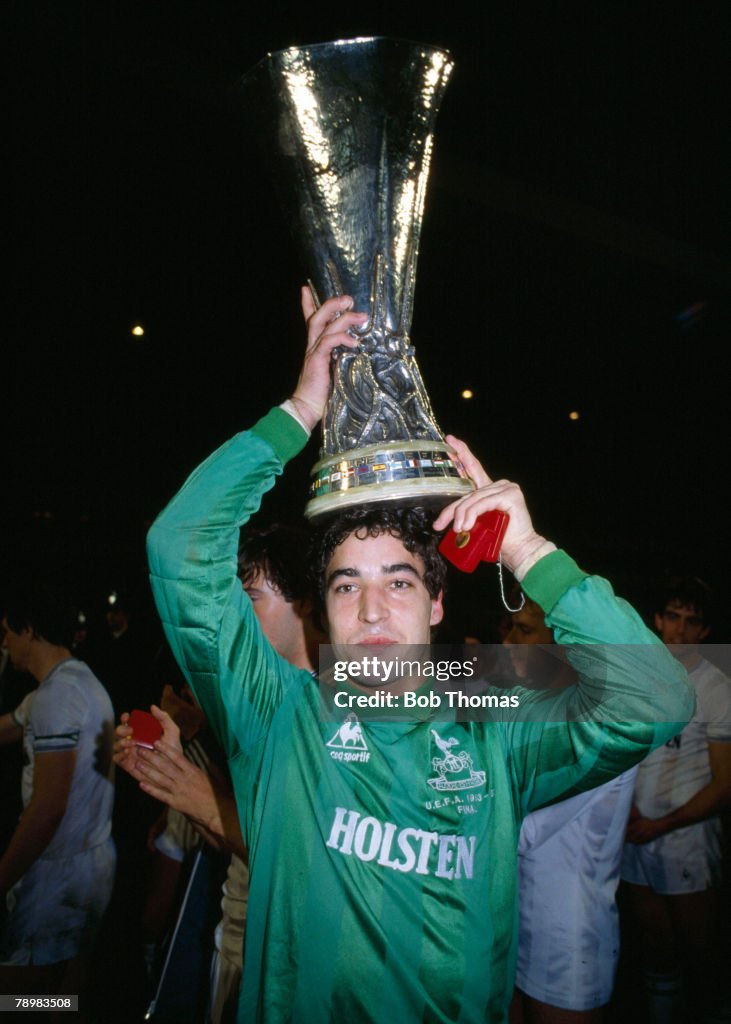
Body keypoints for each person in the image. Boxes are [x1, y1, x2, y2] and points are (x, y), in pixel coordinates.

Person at [139, 288, 694, 1023]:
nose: (372, 608)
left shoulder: (489, 711)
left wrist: (527, 551)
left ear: (435, 606)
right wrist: (297, 413)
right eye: (346, 586)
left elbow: (657, 698)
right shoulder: (277, 712)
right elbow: (178, 548)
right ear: (323, 615)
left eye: (398, 581)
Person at [117, 525, 322, 1024]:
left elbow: (318, 858)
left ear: (306, 606)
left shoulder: (333, 713)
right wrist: (171, 773)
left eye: (249, 596)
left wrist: (192, 792)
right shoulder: (265, 705)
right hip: (234, 941)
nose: (233, 618)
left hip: (282, 969)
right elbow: (241, 839)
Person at [505, 596, 635, 1024]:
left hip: (568, 937)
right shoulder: (542, 712)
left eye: (524, 632)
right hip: (519, 922)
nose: (507, 644)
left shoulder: (596, 729)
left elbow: (518, 833)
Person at [0, 584, 116, 1011]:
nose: (4, 643)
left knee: (16, 1002)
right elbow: (9, 728)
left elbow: (47, 809)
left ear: (28, 629)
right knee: (62, 997)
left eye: (7, 632)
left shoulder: (56, 697)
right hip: (89, 865)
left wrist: (2, 877)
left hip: (57, 879)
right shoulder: (71, 683)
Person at [621, 575, 731, 1022]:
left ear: (704, 632)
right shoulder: (640, 677)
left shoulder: (716, 687)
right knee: (655, 947)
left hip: (685, 839)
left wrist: (660, 825)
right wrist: (628, 815)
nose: (680, 630)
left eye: (692, 622)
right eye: (673, 617)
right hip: (635, 832)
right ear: (658, 620)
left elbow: (725, 785)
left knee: (701, 953)